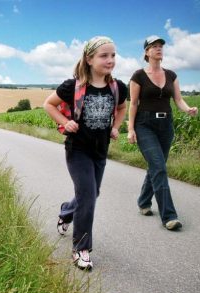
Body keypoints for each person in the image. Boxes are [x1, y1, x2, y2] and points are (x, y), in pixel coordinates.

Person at [43, 36, 127, 270]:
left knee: (92, 193)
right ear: (89, 59)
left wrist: (116, 126)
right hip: (77, 149)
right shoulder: (73, 86)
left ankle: (66, 212)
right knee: (88, 196)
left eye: (113, 55)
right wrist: (65, 121)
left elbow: (121, 108)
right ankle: (81, 249)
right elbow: (48, 104)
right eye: (104, 55)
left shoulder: (118, 87)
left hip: (100, 150)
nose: (110, 60)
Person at [127, 35, 198, 230]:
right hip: (144, 124)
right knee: (159, 167)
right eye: (154, 46)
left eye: (161, 46)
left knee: (156, 166)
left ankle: (143, 201)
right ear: (146, 52)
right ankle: (169, 216)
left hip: (166, 125)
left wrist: (188, 109)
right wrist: (131, 129)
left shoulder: (172, 75)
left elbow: (178, 99)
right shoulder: (138, 76)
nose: (159, 49)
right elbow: (133, 103)